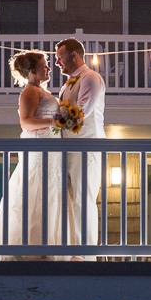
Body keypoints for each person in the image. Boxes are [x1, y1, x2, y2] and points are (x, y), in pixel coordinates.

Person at [0, 51, 74, 251]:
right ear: (33, 71)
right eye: (44, 66)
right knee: (37, 195)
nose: (49, 68)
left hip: (51, 152)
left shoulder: (41, 92)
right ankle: (35, 247)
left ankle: (49, 246)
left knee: (50, 196)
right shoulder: (31, 92)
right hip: (40, 152)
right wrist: (55, 121)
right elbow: (26, 122)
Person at [55, 37, 107, 246]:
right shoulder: (68, 84)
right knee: (70, 200)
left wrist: (51, 122)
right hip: (69, 149)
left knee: (83, 199)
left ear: (74, 55)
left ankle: (85, 252)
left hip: (87, 146)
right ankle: (71, 247)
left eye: (60, 57)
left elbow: (81, 112)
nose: (57, 62)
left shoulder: (91, 77)